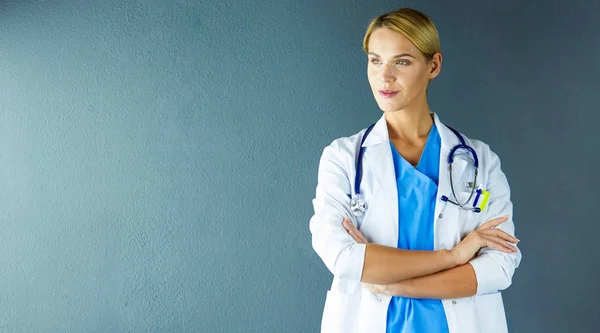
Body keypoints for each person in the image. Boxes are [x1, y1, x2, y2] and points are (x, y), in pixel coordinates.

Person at [308, 7, 522, 333]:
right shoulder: (343, 159)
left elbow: (500, 265)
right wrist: (454, 257)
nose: (385, 76)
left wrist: (394, 283)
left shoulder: (480, 162)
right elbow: (342, 256)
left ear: (433, 65)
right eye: (375, 60)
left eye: (402, 61)